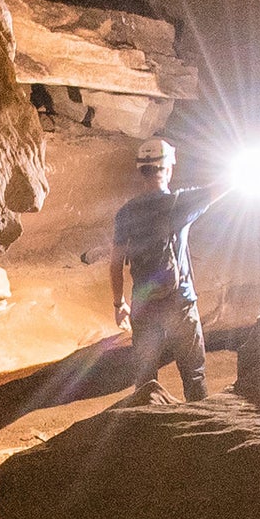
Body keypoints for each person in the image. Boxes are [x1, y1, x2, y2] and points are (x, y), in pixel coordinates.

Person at [100, 138, 219, 404]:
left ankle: (146, 439)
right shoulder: (181, 203)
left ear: (141, 170)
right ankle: (202, 436)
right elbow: (221, 188)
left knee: (145, 381)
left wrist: (119, 303)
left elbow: (115, 263)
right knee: (194, 375)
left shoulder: (126, 213)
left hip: (144, 305)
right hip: (181, 302)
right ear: (168, 168)